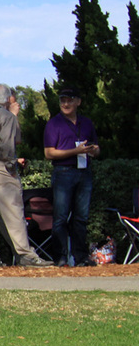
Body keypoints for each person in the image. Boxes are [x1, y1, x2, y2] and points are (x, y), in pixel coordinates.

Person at [0, 84, 51, 267]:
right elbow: (11, 142)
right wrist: (11, 164)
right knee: (13, 210)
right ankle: (25, 254)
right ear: (7, 99)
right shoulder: (7, 117)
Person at [42, 85, 100, 266]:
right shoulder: (54, 124)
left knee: (81, 217)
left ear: (78, 102)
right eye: (62, 100)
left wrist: (93, 150)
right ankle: (60, 257)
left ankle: (80, 257)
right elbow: (49, 153)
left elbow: (96, 149)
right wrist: (75, 151)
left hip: (84, 172)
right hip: (63, 173)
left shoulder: (87, 123)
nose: (65, 104)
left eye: (69, 100)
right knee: (60, 217)